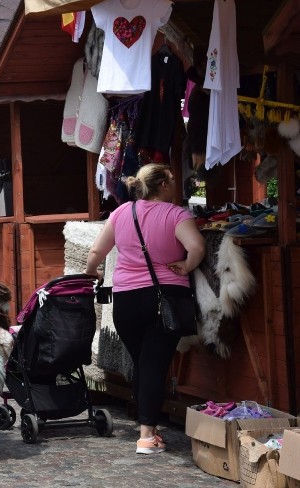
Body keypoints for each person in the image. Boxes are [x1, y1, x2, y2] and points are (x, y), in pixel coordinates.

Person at [85, 163, 205, 455]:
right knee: (152, 366)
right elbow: (198, 247)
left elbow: (96, 252)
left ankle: (147, 424)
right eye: (173, 179)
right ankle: (147, 435)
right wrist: (186, 265)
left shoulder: (121, 213)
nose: (176, 183)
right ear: (163, 183)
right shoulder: (177, 214)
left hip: (125, 301)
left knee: (142, 363)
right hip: (163, 299)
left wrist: (93, 273)